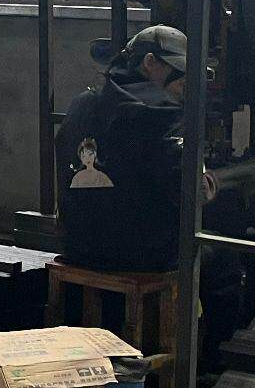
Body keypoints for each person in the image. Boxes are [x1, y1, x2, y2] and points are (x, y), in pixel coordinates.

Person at [54, 25, 190, 273]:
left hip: (76, 247)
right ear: (150, 62)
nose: (184, 79)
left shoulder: (81, 103)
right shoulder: (158, 112)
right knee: (223, 258)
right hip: (135, 256)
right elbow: (181, 188)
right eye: (178, 69)